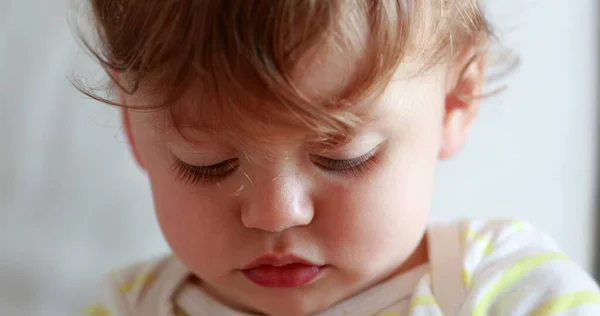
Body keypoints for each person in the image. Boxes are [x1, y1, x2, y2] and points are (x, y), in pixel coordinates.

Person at [78, 1, 600, 315]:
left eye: (344, 156)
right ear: (131, 121)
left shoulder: (504, 293)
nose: (275, 213)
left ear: (453, 104)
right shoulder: (131, 305)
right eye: (207, 163)